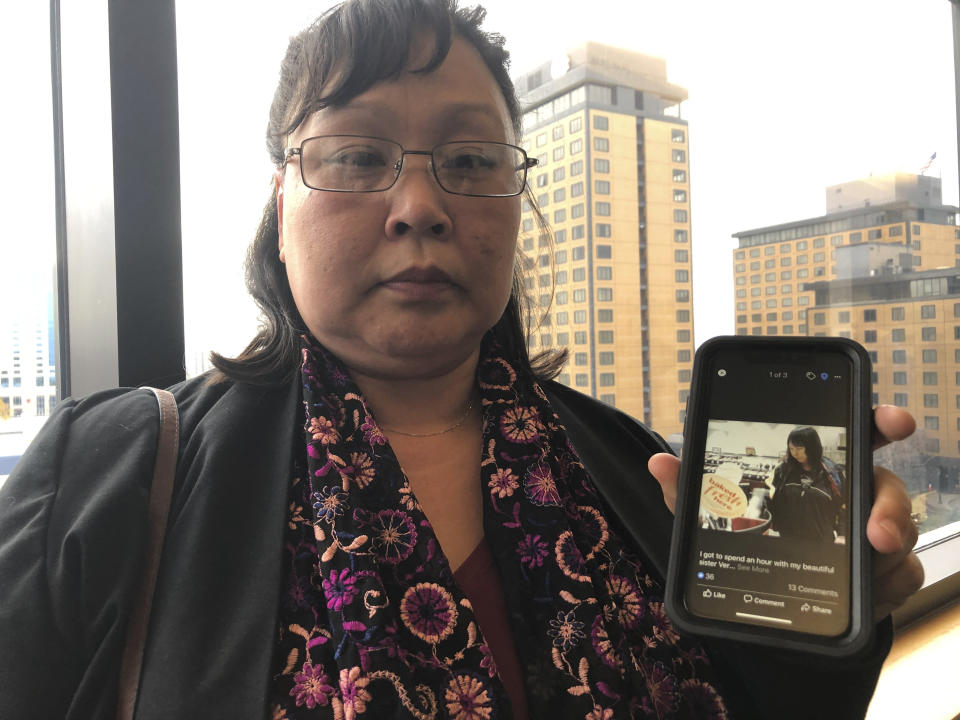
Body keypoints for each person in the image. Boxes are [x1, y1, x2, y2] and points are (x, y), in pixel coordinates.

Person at [0, 1, 924, 718]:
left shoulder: (639, 470)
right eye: (358, 155)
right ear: (281, 205)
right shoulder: (104, 477)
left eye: (472, 159)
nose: (418, 206)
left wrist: (830, 615)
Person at [768, 427, 846, 542]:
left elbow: (844, 505)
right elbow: (775, 498)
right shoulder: (783, 470)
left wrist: (842, 534)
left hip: (820, 540)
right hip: (788, 537)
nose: (795, 453)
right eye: (791, 448)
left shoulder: (832, 473)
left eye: (799, 448)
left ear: (812, 447)